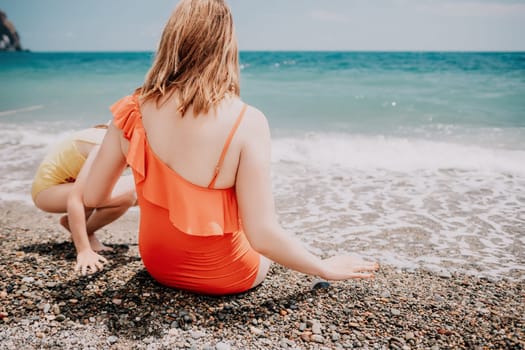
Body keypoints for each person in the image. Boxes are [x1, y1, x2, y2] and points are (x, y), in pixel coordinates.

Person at [83, 0, 378, 295]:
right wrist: (322, 266)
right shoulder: (247, 121)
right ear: (226, 46)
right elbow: (262, 235)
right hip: (228, 275)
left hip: (158, 265)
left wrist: (147, 183)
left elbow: (93, 195)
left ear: (170, 40)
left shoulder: (131, 110)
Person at [31, 124, 136, 275]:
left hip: (66, 188)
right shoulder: (102, 146)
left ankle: (80, 228)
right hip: (47, 193)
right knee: (130, 189)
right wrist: (84, 251)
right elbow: (77, 198)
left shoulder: (118, 141)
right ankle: (83, 238)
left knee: (127, 197)